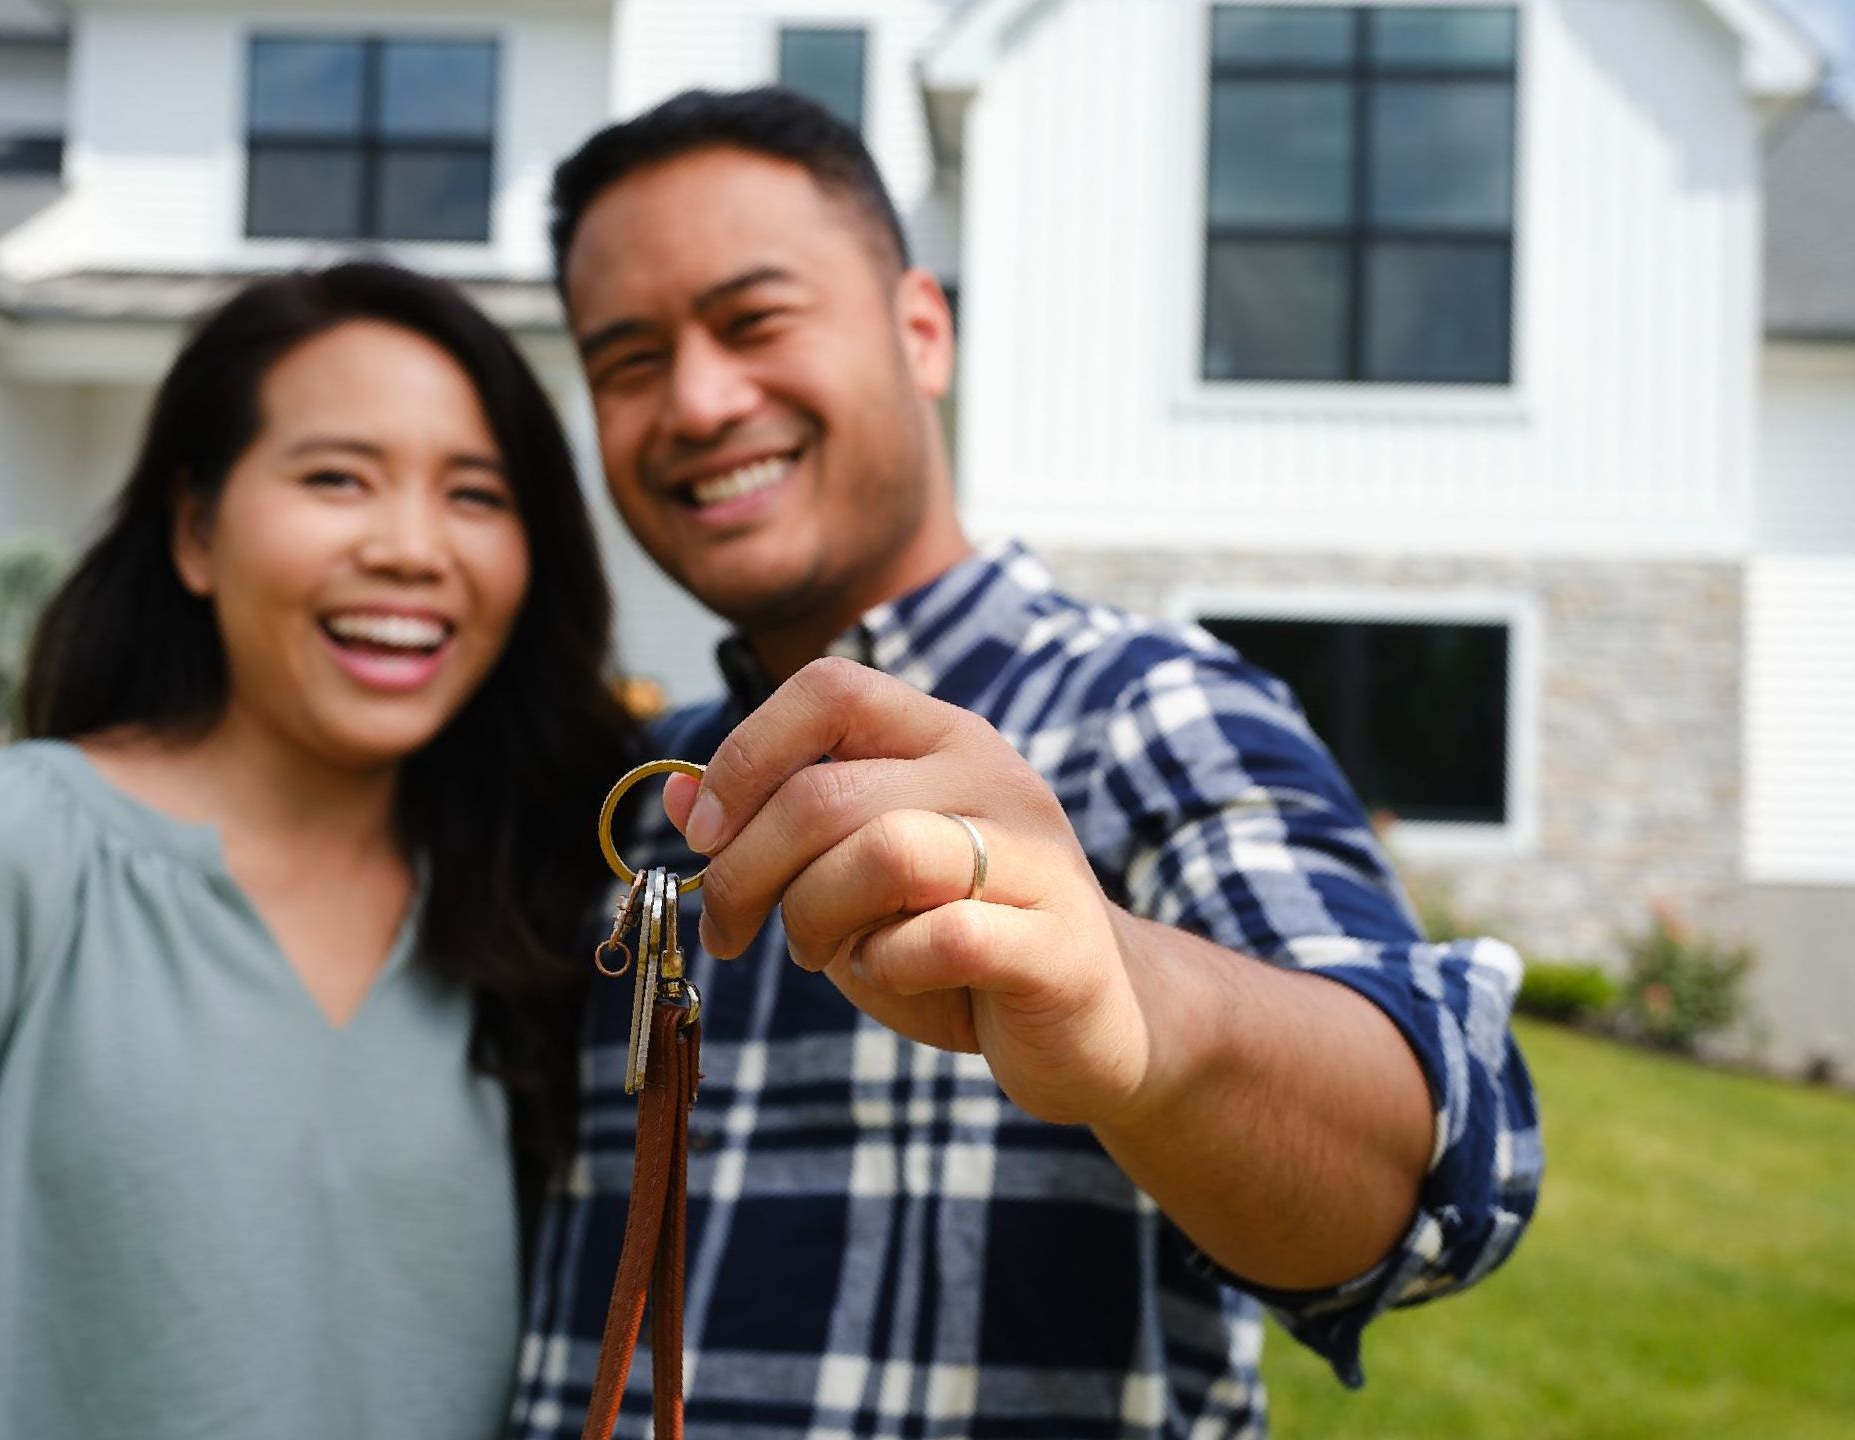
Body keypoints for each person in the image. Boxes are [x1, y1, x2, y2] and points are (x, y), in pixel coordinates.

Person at [509, 90, 1541, 1440]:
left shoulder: (1146, 708)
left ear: (921, 330)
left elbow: (1442, 1167)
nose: (699, 401)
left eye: (756, 320)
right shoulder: (636, 797)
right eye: (629, 359)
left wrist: (1137, 1010)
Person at [0, 263, 635, 1439]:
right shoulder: (2, 850)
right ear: (197, 531)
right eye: (337, 478)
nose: (413, 549)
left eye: (476, 493)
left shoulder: (540, 912)